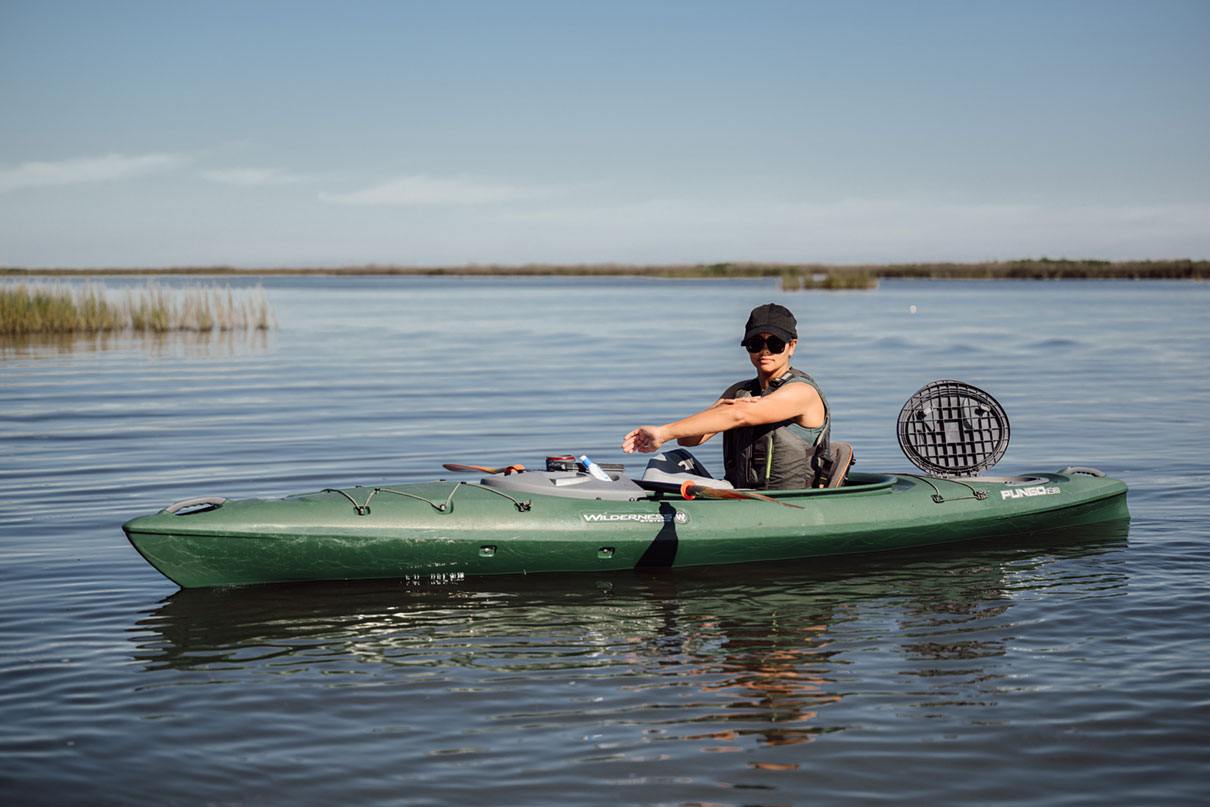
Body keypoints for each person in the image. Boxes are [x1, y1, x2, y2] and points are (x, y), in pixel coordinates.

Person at [622, 303, 832, 489]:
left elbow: (741, 415)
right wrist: (718, 409)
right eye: (756, 344)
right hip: (739, 494)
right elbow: (689, 439)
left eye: (775, 344)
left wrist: (663, 433)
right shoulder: (739, 391)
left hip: (787, 500)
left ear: (791, 346)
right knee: (666, 461)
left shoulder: (802, 392)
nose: (765, 351)